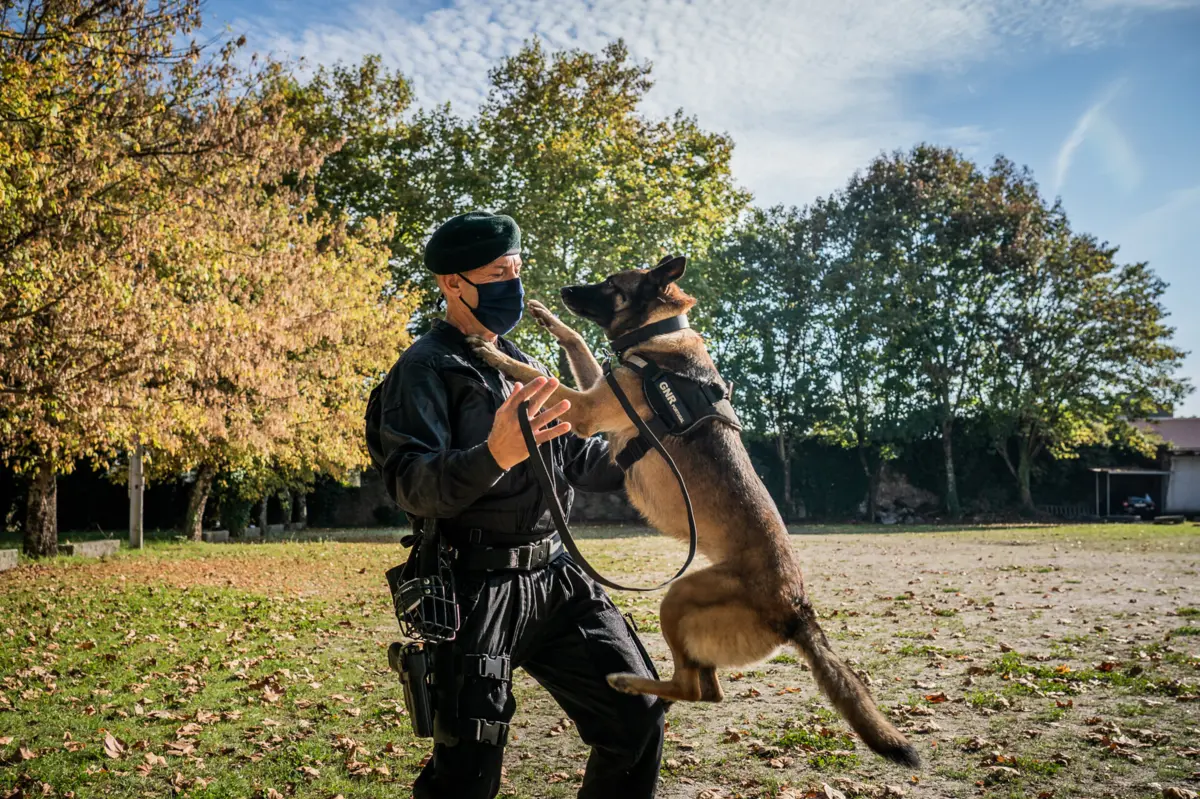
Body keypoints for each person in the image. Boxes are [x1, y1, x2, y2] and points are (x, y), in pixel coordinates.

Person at [364, 211, 665, 799]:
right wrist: (494, 453)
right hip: (474, 589)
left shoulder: (524, 362)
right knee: (467, 773)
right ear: (453, 283)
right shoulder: (423, 370)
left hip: (558, 580)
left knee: (637, 715)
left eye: (517, 270)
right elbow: (412, 485)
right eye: (498, 273)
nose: (514, 285)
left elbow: (581, 463)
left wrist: (648, 433)